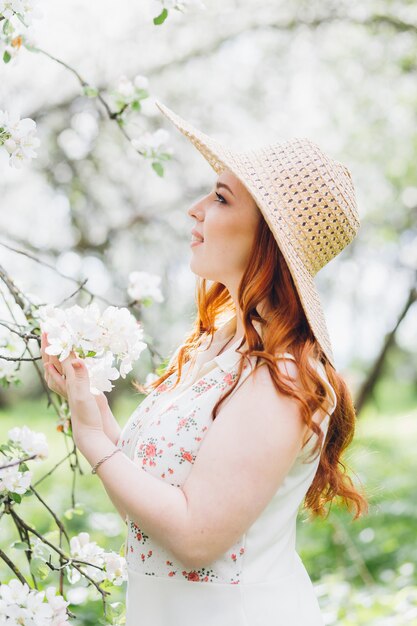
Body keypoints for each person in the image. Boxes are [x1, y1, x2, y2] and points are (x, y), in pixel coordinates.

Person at [40, 99, 368, 626]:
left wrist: (93, 441)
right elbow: (152, 515)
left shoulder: (282, 376)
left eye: (219, 198)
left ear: (268, 236)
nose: (195, 208)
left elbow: (195, 539)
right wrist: (94, 406)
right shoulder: (218, 344)